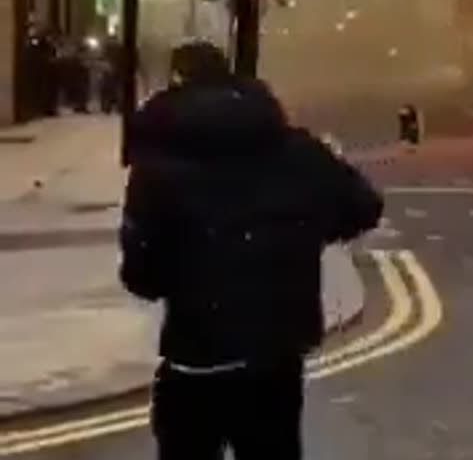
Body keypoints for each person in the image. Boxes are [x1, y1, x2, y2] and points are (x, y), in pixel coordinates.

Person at [120, 41, 383, 460]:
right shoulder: (296, 150)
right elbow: (364, 207)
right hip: (274, 356)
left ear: (176, 83)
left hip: (196, 357)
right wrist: (301, 233)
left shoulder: (157, 169)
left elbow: (142, 277)